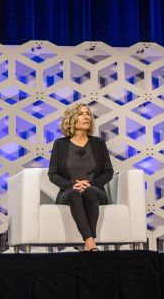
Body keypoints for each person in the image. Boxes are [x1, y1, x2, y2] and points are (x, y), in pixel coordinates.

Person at [48, 103, 114, 251]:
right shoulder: (60, 144)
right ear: (71, 119)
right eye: (81, 114)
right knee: (74, 194)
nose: (86, 117)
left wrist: (91, 184)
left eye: (88, 114)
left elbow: (108, 172)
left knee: (89, 192)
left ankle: (88, 243)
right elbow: (52, 174)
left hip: (95, 190)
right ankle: (90, 242)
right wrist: (71, 186)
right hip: (68, 192)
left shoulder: (98, 143)